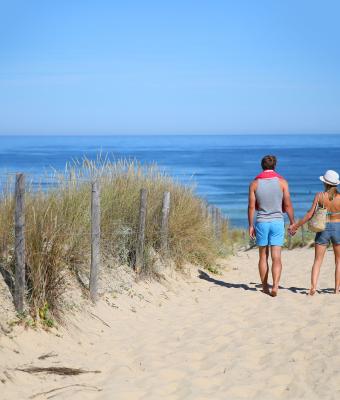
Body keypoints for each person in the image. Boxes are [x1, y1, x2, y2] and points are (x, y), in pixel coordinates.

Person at [248, 155, 295, 297]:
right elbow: (287, 205)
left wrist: (251, 225)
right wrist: (292, 222)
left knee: (263, 257)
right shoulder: (282, 183)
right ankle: (275, 286)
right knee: (277, 257)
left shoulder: (255, 183)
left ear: (262, 166)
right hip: (277, 222)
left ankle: (264, 286)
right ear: (275, 166)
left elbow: (251, 207)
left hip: (262, 222)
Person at [290, 170, 340, 295]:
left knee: (317, 260)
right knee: (339, 260)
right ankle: (337, 289)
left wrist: (296, 225)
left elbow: (309, 214)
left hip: (322, 228)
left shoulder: (319, 196)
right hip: (338, 227)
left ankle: (313, 287)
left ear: (325, 183)